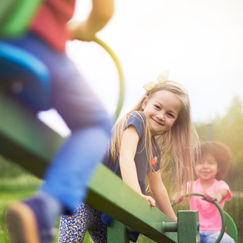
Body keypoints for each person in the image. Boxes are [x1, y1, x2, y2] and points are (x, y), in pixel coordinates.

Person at [5, 1, 114, 243]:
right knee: (96, 124)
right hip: (33, 39)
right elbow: (104, 11)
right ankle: (43, 209)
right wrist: (84, 29)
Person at [58, 76, 199, 242]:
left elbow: (157, 186)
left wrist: (174, 221)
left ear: (175, 122)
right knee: (69, 240)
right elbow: (126, 155)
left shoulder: (155, 151)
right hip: (84, 199)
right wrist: (137, 195)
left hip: (107, 212)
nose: (161, 116)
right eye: (157, 107)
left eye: (170, 114)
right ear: (145, 102)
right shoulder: (137, 120)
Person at [173, 141, 234, 243]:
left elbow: (222, 193)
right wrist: (178, 196)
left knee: (227, 241)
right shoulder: (190, 185)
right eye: (200, 163)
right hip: (194, 230)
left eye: (210, 163)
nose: (205, 166)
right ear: (194, 165)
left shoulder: (220, 185)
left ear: (218, 167)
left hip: (215, 232)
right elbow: (180, 193)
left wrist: (216, 196)